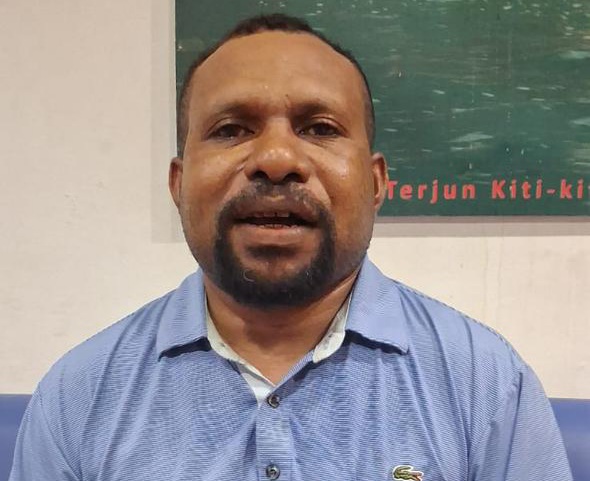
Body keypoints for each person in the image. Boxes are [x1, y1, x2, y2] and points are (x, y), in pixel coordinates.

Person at [10, 13, 571, 481]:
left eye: (319, 128)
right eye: (231, 129)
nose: (277, 159)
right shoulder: (78, 395)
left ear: (376, 183)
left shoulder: (486, 385)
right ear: (179, 185)